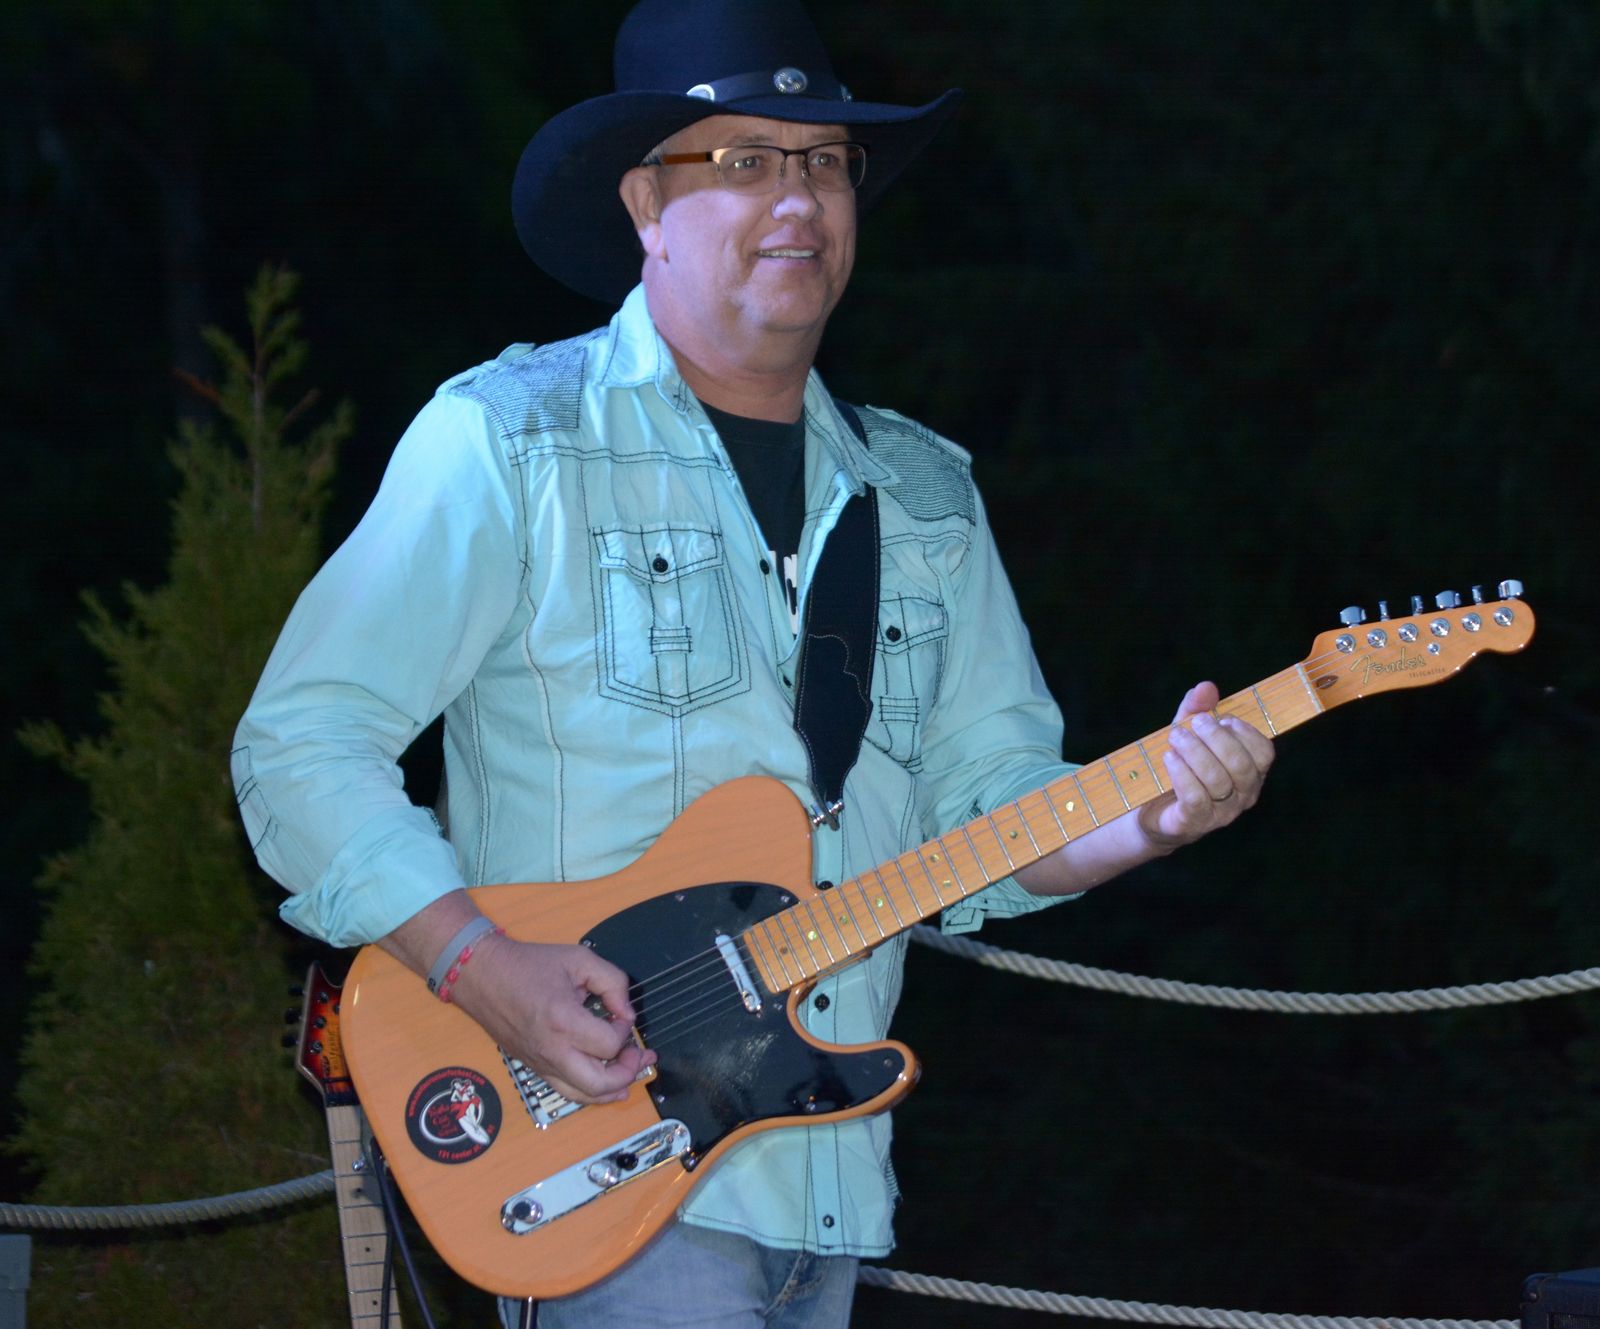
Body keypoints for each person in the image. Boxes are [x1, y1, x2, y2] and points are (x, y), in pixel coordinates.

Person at [232, 1, 1275, 1324]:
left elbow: (991, 810)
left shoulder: (925, 495)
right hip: (602, 1173)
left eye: (826, 162)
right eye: (745, 160)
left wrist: (1152, 812)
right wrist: (478, 965)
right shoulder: (512, 440)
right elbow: (299, 745)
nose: (800, 198)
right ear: (644, 205)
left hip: (829, 1192)